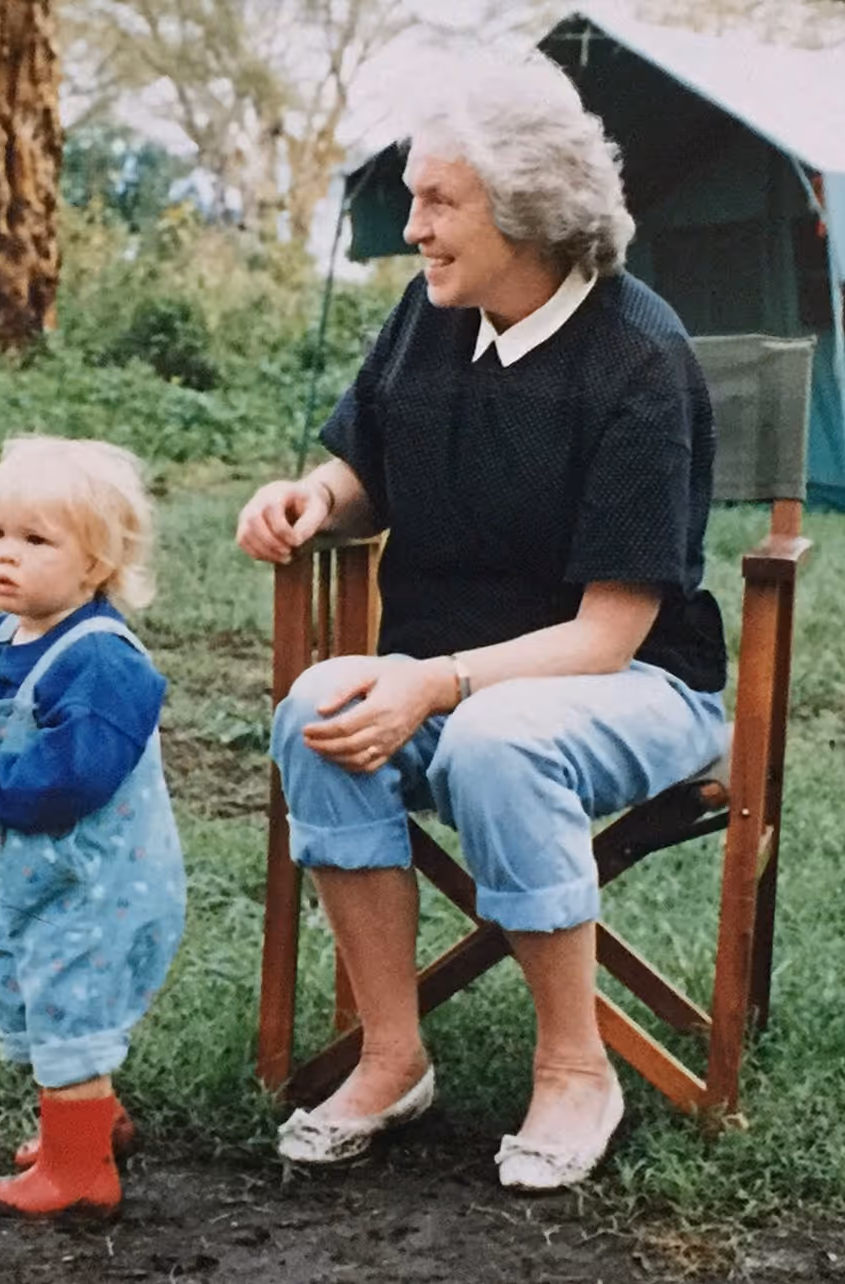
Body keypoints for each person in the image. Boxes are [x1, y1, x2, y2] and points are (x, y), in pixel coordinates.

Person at [234, 54, 727, 1192]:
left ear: (528, 211)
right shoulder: (429, 316)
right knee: (319, 706)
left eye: (438, 201)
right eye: (414, 199)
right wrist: (318, 499)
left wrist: (434, 684)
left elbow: (606, 636)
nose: (412, 229)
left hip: (638, 687)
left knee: (499, 743)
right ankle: (393, 1055)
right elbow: (368, 466)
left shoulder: (637, 359)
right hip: (449, 677)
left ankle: (574, 1069)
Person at [0, 435, 185, 1220]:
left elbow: (71, 779)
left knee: (69, 999)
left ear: (96, 564)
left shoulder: (103, 663)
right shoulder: (4, 636)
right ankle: (93, 1127)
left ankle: (82, 1175)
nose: (6, 557)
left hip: (103, 880)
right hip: (46, 872)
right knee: (40, 992)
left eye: (36, 541)